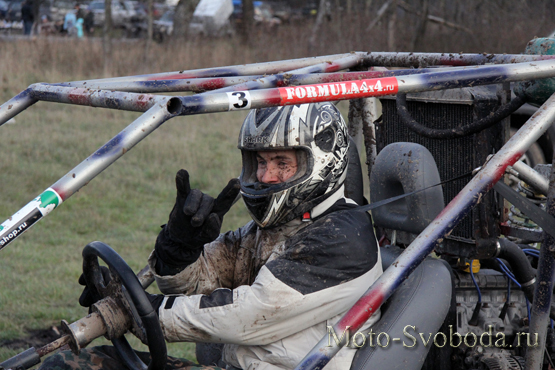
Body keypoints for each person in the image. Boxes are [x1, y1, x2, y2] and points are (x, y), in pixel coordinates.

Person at [40, 102, 382, 370]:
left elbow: (247, 315)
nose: (265, 176)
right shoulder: (279, 227)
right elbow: (200, 285)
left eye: (282, 162)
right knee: (75, 364)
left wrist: (136, 312)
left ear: (321, 162)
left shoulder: (341, 238)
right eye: (260, 162)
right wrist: (179, 250)